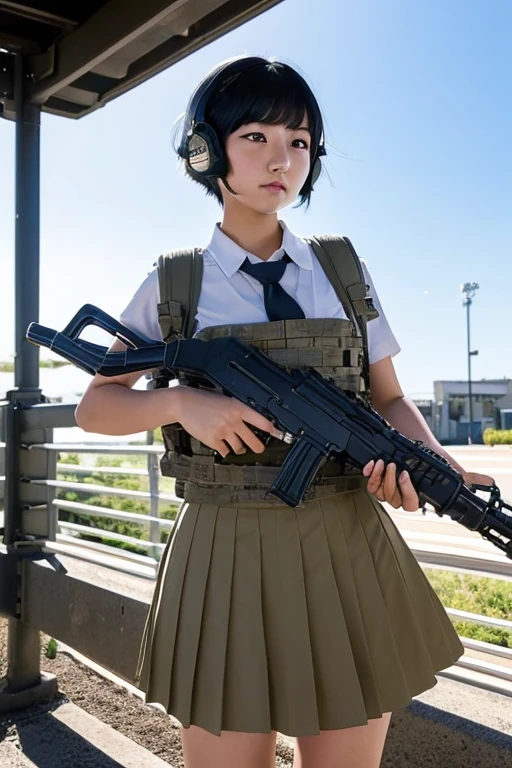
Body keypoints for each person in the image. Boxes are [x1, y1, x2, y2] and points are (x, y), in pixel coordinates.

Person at [75, 55, 493, 768]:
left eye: (299, 142)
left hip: (344, 542)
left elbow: (387, 397)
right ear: (207, 152)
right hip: (223, 547)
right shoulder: (176, 282)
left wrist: (430, 462)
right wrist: (181, 402)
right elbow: (96, 406)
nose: (283, 159)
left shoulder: (341, 270)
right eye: (257, 137)